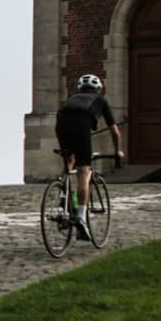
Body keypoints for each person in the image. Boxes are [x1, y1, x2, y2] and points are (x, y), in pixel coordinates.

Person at [54, 74, 121, 241]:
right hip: (81, 124)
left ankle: (63, 194)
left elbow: (60, 116)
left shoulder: (72, 99)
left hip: (61, 123)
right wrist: (119, 151)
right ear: (98, 88)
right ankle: (81, 217)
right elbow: (114, 131)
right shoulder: (100, 100)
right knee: (83, 171)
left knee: (69, 160)